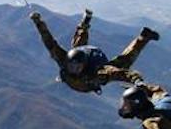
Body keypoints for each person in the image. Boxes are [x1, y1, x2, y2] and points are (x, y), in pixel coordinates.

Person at [29, 9, 158, 93]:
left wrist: (136, 80)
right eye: (72, 66)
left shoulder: (98, 72)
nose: (73, 69)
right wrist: (38, 23)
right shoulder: (65, 60)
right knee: (77, 46)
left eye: (76, 67)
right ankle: (85, 21)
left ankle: (143, 38)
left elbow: (122, 73)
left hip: (95, 60)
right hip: (84, 55)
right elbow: (49, 42)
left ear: (84, 65)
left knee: (124, 61)